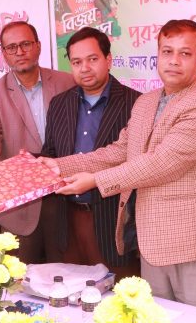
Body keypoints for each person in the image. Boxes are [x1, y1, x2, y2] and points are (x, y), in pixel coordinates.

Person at [42, 20, 196, 311]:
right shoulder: (146, 102)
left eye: (185, 53)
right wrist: (58, 166)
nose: (174, 61)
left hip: (194, 243)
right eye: (167, 51)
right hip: (152, 242)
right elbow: (119, 151)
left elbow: (163, 163)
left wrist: (96, 181)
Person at [0, 21, 76, 263]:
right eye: (12, 47)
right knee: (19, 276)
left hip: (64, 199)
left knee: (67, 274)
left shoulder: (67, 82)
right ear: (4, 54)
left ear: (38, 46)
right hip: (20, 207)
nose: (20, 52)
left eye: (26, 44)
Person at [42, 27, 141, 273]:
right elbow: (50, 154)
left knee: (119, 294)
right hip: (68, 222)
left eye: (92, 59)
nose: (84, 68)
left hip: (114, 223)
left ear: (108, 59)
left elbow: (136, 163)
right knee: (73, 291)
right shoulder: (59, 103)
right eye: (77, 62)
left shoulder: (137, 103)